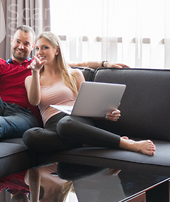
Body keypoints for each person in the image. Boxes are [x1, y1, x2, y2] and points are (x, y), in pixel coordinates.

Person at [0, 25, 129, 152]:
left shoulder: (38, 67)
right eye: (18, 41)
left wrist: (103, 63)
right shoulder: (1, 64)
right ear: (12, 42)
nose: (21, 46)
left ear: (31, 46)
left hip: (24, 115)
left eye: (27, 44)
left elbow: (74, 64)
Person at [23, 32, 156, 156]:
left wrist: (105, 114)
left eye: (45, 47)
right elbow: (34, 101)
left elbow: (87, 108)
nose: (40, 52)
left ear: (56, 50)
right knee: (29, 136)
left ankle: (126, 144)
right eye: (37, 48)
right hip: (52, 127)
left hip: (75, 121)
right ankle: (89, 141)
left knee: (65, 124)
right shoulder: (31, 79)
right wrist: (35, 72)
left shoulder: (74, 74)